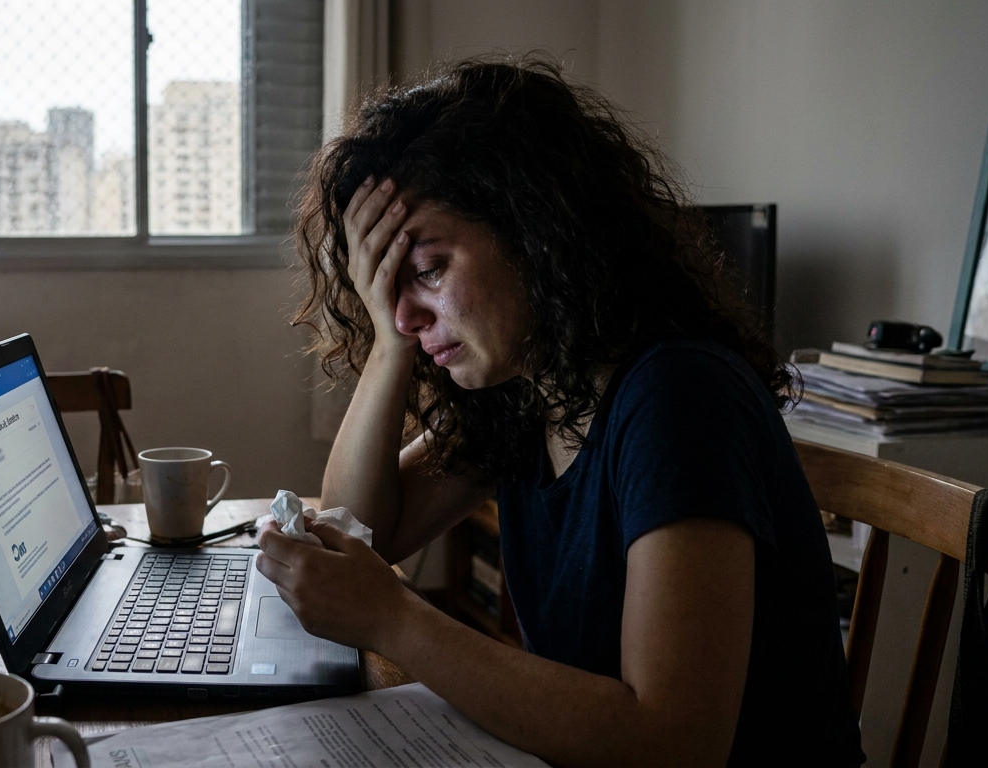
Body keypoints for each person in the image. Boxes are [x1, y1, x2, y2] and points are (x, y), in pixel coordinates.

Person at [255, 59, 864, 767]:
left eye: (428, 271)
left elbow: (675, 742)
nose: (406, 314)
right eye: (387, 289)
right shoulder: (533, 387)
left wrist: (393, 619)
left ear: (535, 233)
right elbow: (360, 529)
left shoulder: (680, 397)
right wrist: (390, 344)